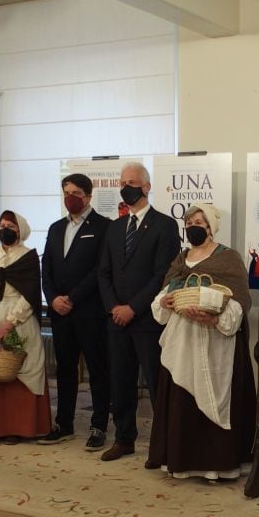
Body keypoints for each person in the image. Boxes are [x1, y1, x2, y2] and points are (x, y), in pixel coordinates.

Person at [147, 204, 255, 480]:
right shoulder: (180, 260)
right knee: (183, 398)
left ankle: (216, 463)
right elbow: (164, 293)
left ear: (211, 226)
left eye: (199, 221)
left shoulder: (229, 259)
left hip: (215, 340)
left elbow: (240, 300)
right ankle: (181, 460)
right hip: (183, 341)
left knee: (212, 396)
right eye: (190, 221)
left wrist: (215, 318)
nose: (194, 225)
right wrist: (166, 300)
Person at [96, 162, 181, 462]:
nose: (126, 186)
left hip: (147, 320)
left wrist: (133, 307)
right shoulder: (115, 227)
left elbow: (162, 274)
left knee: (157, 383)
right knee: (120, 380)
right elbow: (103, 272)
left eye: (132, 181)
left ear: (146, 187)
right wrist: (114, 307)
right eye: (122, 182)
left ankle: (163, 444)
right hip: (116, 320)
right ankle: (123, 438)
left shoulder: (164, 225)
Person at [39, 173, 112, 451]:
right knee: (65, 368)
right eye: (66, 191)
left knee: (97, 369)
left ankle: (99, 425)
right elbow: (47, 268)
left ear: (88, 196)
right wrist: (53, 298)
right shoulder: (57, 228)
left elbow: (101, 270)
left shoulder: (104, 226)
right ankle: (64, 423)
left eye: (76, 193)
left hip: (89, 310)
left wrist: (72, 297)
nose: (70, 197)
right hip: (60, 312)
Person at [0, 210, 50, 442]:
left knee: (19, 371)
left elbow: (30, 293)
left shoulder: (28, 256)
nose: (5, 229)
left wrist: (8, 324)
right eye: (2, 225)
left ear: (20, 230)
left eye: (10, 227)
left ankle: (18, 428)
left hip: (18, 321)